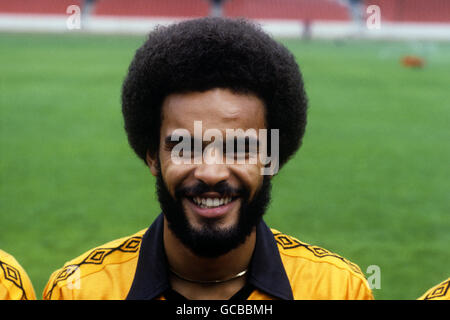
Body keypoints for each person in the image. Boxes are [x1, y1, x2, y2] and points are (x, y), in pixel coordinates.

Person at [43, 17, 373, 300]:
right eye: (186, 147)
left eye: (241, 147)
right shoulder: (78, 289)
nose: (212, 172)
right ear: (153, 157)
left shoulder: (338, 288)